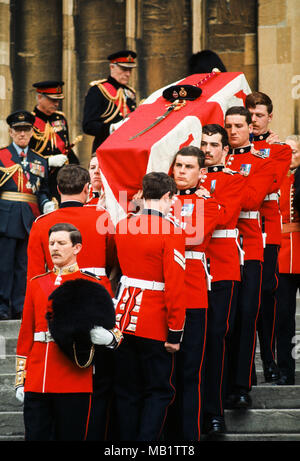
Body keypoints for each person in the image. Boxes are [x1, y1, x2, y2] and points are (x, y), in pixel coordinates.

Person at [15, 223, 121, 441]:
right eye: (52, 243)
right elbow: (26, 334)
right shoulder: (37, 283)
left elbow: (116, 329)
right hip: (38, 377)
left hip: (74, 377)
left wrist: (109, 338)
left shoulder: (93, 283)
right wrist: (20, 379)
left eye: (61, 243)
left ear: (77, 248)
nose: (54, 248)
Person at [112, 172, 186, 441]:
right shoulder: (172, 231)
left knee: (127, 391)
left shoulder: (123, 226)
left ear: (143, 194)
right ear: (167, 196)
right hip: (154, 322)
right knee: (159, 391)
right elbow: (175, 287)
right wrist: (175, 332)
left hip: (123, 317)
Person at [165, 146, 221, 441]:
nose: (182, 171)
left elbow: (193, 236)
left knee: (190, 370)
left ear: (202, 173)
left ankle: (190, 434)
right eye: (178, 166)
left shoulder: (208, 204)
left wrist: (162, 225)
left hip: (193, 292)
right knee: (163, 372)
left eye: (188, 167)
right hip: (162, 294)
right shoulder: (161, 200)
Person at [223, 106, 276, 408]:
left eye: (239, 125)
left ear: (250, 128)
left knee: (245, 316)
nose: (233, 131)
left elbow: (253, 199)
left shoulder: (261, 159)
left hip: (250, 245)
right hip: (219, 249)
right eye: (228, 126)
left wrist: (224, 190)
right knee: (224, 321)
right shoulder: (217, 158)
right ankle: (226, 380)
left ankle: (241, 385)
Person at [199, 124, 246, 435]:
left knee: (216, 337)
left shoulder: (232, 180)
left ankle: (214, 411)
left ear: (225, 151)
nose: (208, 150)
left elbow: (226, 217)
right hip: (193, 266)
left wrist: (203, 197)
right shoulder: (186, 178)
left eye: (214, 145)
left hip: (222, 265)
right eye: (204, 144)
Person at [245, 92, 292, 383]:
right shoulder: (234, 149)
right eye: (249, 115)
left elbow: (271, 182)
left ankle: (269, 358)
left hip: (268, 229)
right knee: (245, 302)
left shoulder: (280, 149)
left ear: (269, 117)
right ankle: (247, 362)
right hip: (242, 231)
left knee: (267, 296)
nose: (254, 121)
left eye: (259, 115)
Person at [26, 164, 115, 296]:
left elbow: (35, 274)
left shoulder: (41, 223)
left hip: (58, 292)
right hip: (97, 291)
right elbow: (111, 257)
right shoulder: (103, 217)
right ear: (86, 188)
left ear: (58, 190)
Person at [0, 110, 53, 320]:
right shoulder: (2, 156)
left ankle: (20, 306)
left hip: (29, 219)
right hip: (5, 217)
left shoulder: (40, 160)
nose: (22, 134)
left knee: (24, 266)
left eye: (26, 130)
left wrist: (47, 203)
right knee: (4, 265)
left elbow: (43, 191)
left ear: (32, 133)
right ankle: (3, 307)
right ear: (11, 132)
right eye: (18, 130)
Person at [275, 135, 300, 385]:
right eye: (286, 152)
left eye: (294, 152)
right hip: (282, 256)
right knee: (282, 317)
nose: (289, 156)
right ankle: (285, 370)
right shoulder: (275, 180)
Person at [30, 80, 79, 201]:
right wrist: (48, 161)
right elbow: (26, 155)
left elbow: (65, 146)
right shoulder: (30, 122)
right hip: (42, 178)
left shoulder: (60, 118)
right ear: (40, 97)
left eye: (58, 100)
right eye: (52, 100)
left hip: (63, 178)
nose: (57, 103)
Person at [82, 50, 137, 151]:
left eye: (130, 70)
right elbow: (88, 125)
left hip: (128, 147)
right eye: (124, 69)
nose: (128, 74)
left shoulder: (130, 92)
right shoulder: (98, 90)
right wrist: (111, 128)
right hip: (106, 148)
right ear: (112, 67)